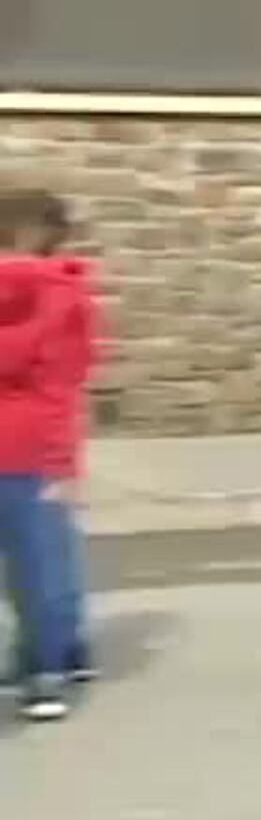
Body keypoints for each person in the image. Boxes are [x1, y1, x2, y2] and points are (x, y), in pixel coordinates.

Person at [0, 191, 95, 723]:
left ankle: (43, 661)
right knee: (45, 558)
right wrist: (64, 461)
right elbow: (66, 380)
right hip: (37, 445)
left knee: (24, 566)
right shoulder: (65, 295)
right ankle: (53, 662)